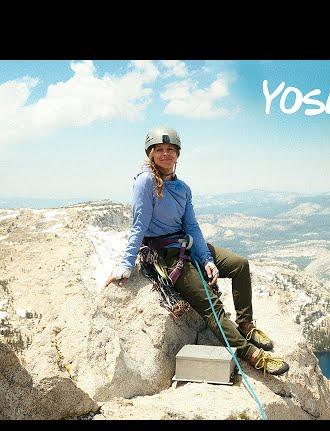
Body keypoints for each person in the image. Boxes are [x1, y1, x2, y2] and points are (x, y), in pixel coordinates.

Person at [105, 127, 289, 376]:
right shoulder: (145, 181)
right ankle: (253, 355)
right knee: (211, 306)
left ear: (178, 154)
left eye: (171, 149)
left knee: (240, 264)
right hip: (167, 255)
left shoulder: (182, 188)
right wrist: (126, 265)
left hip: (187, 245)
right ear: (150, 153)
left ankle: (245, 324)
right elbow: (138, 225)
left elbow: (192, 226)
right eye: (159, 149)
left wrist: (207, 260)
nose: (165, 154)